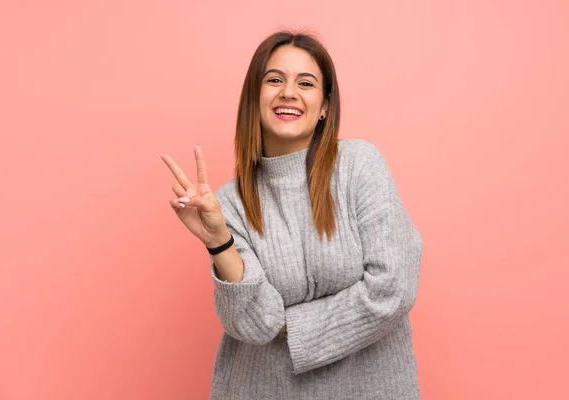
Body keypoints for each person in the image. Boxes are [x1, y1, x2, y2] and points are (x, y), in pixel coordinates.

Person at [161, 30, 424, 400]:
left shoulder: (360, 166)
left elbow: (393, 289)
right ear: (255, 97)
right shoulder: (227, 204)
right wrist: (219, 241)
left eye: (305, 82)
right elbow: (253, 324)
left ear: (325, 106)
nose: (288, 92)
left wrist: (290, 326)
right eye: (274, 80)